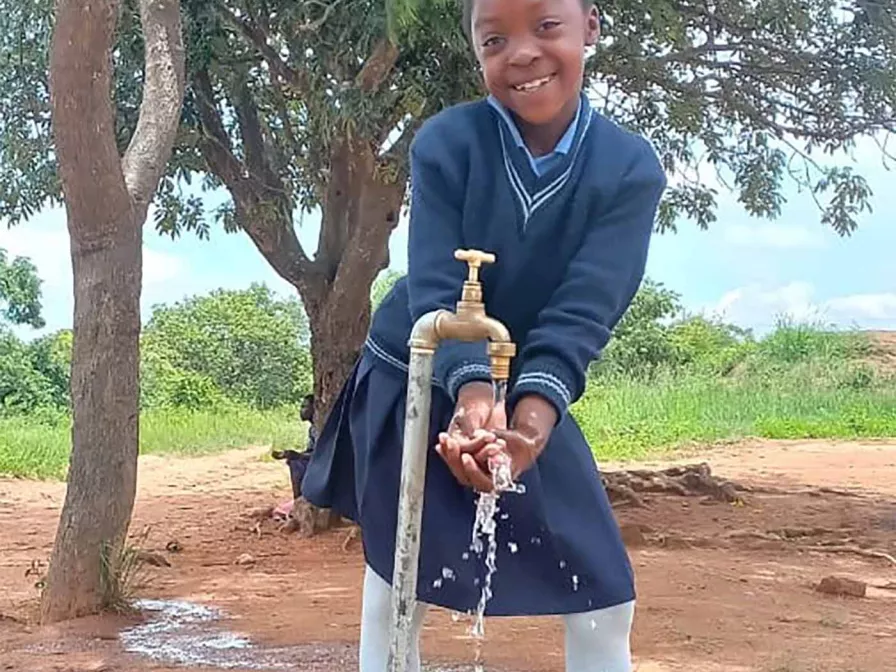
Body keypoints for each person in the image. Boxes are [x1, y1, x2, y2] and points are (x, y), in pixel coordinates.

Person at [301, 0, 667, 669]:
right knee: (397, 584)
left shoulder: (628, 169)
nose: (521, 53)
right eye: (494, 39)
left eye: (546, 27)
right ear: (475, 50)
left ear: (590, 24)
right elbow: (441, 286)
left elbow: (582, 311)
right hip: (413, 375)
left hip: (528, 386)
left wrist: (528, 428)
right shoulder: (448, 142)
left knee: (602, 596)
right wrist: (473, 397)